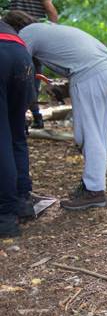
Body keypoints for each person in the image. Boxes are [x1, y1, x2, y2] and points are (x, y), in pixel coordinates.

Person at [2, 10, 107, 211]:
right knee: (98, 134)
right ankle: (92, 185)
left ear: (12, 27)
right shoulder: (47, 29)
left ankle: (94, 191)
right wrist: (63, 89)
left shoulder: (25, 35)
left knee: (88, 135)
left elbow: (19, 70)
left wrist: (16, 113)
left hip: (90, 75)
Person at [2, 0, 59, 130]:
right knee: (35, 77)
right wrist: (54, 33)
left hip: (13, 34)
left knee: (15, 76)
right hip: (37, 34)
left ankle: (18, 116)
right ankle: (36, 116)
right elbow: (50, 10)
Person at [0, 17, 35, 237]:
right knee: (15, 133)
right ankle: (24, 200)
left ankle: (5, 216)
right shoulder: (9, 27)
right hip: (21, 54)